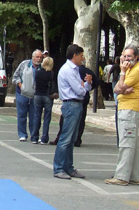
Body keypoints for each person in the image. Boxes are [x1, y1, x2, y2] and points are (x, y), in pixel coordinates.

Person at [104, 46, 139, 186]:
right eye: (124, 56)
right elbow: (117, 89)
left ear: (136, 57)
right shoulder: (130, 71)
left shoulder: (137, 71)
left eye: (129, 56)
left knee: (126, 143)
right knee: (133, 144)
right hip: (127, 108)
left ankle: (122, 176)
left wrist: (122, 74)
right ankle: (134, 176)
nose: (125, 59)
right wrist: (123, 88)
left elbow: (120, 88)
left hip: (130, 110)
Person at [52, 44, 92, 180]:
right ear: (74, 55)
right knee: (65, 139)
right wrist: (84, 86)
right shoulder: (68, 70)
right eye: (81, 55)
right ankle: (58, 168)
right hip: (71, 104)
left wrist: (85, 84)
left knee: (71, 139)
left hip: (76, 104)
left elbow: (82, 88)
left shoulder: (75, 69)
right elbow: (79, 90)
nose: (83, 58)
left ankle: (68, 167)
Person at [12, 50, 43, 142]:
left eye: (41, 57)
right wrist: (21, 86)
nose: (39, 59)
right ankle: (22, 134)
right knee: (22, 115)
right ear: (32, 57)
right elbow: (15, 77)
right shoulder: (24, 64)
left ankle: (34, 135)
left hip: (35, 96)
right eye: (37, 57)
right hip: (22, 94)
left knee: (34, 116)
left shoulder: (42, 67)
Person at [33, 56, 56, 145]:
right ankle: (44, 138)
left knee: (37, 116)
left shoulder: (37, 73)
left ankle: (35, 137)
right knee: (46, 118)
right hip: (48, 96)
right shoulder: (51, 74)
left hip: (38, 95)